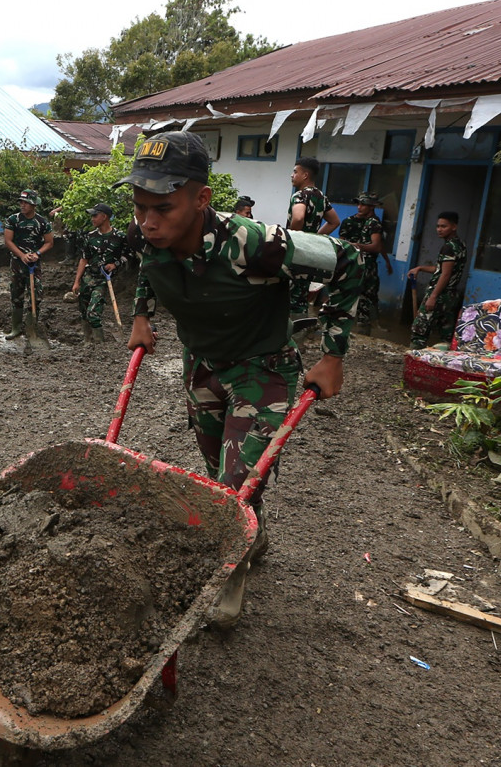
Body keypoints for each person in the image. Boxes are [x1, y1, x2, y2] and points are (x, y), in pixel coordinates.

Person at [120, 131, 362, 627]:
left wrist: (333, 355)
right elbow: (149, 264)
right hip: (203, 363)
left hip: (262, 368)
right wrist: (141, 315)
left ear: (201, 198)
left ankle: (231, 570)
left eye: (162, 208)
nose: (147, 220)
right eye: (140, 206)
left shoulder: (255, 243)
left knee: (234, 483)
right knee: (219, 471)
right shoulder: (148, 229)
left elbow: (349, 261)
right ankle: (252, 529)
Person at [286, 157, 341, 316]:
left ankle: (290, 332)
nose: (292, 175)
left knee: (290, 293)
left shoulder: (299, 196)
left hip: (295, 250)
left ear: (305, 175)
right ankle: (301, 327)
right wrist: (314, 238)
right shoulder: (321, 197)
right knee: (302, 291)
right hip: (310, 252)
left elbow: (298, 218)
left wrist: (294, 238)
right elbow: (334, 221)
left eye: (295, 172)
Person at [70, 202, 129, 344]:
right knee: (84, 311)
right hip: (88, 277)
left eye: (95, 216)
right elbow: (84, 259)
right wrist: (77, 281)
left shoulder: (119, 236)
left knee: (93, 313)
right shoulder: (90, 236)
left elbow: (128, 255)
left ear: (104, 217)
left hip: (104, 280)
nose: (92, 219)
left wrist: (115, 264)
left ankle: (99, 344)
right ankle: (87, 341)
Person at [408, 211, 467, 349]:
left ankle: (414, 360)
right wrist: (420, 268)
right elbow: (442, 269)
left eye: (443, 226)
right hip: (451, 296)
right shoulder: (460, 245)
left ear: (454, 227)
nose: (439, 229)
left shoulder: (448, 248)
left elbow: (445, 275)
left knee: (419, 330)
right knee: (446, 332)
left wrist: (433, 296)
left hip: (440, 293)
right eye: (438, 226)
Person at [2, 189, 54, 339]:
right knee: (16, 294)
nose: (23, 205)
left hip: (34, 264)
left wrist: (37, 254)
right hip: (17, 263)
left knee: (36, 294)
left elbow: (49, 242)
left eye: (26, 203)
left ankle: (31, 327)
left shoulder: (42, 222)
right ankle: (16, 328)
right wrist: (22, 255)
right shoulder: (13, 220)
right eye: (21, 202)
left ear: (33, 204)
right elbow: (8, 241)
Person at [339, 193, 385, 335]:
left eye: (363, 204)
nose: (359, 207)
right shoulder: (350, 221)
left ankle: (365, 328)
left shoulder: (374, 223)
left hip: (367, 265)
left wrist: (356, 245)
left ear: (371, 207)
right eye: (358, 204)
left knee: (368, 295)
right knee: (347, 292)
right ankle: (345, 324)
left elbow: (377, 246)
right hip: (351, 263)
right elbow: (342, 243)